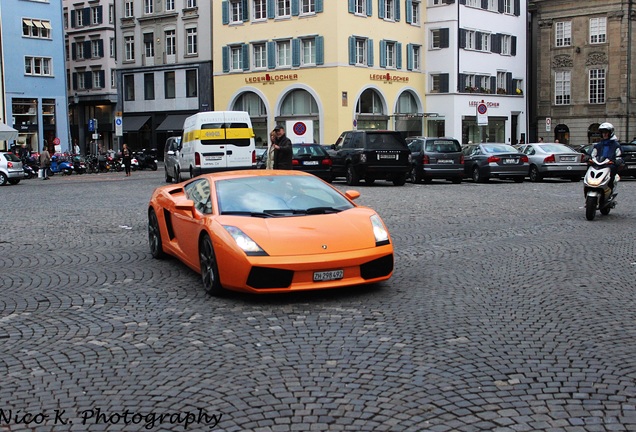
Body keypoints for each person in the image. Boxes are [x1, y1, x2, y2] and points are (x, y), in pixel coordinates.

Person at [590, 122, 623, 190]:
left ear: (610, 133)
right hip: (598, 164)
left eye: (606, 132)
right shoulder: (598, 145)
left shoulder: (616, 145)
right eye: (603, 132)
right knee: (590, 168)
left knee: (612, 171)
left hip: (609, 165)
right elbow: (592, 154)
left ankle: (610, 189)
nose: (604, 134)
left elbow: (619, 155)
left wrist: (617, 161)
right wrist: (588, 157)